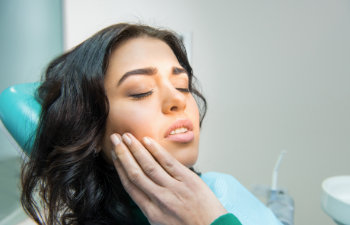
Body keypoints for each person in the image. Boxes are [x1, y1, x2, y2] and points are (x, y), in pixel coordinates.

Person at [21, 23, 281, 225]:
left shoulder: (224, 194)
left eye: (182, 85)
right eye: (141, 91)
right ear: (92, 129)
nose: (178, 98)